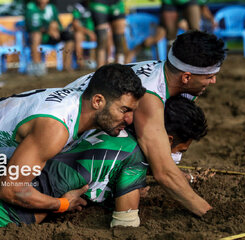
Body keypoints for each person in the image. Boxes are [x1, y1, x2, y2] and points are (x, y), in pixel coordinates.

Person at [0, 95, 207, 230]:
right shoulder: (134, 160)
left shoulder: (102, 122)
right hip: (7, 207)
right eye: (178, 150)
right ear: (166, 139)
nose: (175, 160)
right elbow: (125, 223)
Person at [0, 64, 144, 213]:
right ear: (98, 101)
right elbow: (9, 190)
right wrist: (62, 204)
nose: (130, 119)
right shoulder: (56, 128)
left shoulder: (79, 103)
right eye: (124, 110)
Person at [65, 30, 226, 217]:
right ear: (187, 77)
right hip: (58, 147)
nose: (213, 81)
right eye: (209, 76)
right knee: (132, 150)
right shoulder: (149, 96)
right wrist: (208, 213)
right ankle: (115, 212)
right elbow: (163, 172)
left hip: (65, 134)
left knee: (142, 148)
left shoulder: (164, 74)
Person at [25, 0, 75, 75]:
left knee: (69, 37)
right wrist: (48, 30)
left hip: (53, 35)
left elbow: (58, 24)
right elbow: (31, 27)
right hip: (40, 36)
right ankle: (37, 65)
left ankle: (67, 66)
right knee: (36, 35)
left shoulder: (51, 7)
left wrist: (56, 29)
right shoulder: (31, 8)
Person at [89, 0, 127, 67]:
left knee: (119, 40)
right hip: (99, 3)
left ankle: (120, 70)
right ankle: (100, 71)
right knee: (102, 39)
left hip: (117, 4)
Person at [70, 0, 97, 69]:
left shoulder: (96, 6)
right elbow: (75, 25)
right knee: (78, 35)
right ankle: (80, 62)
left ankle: (106, 60)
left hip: (95, 32)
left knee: (106, 33)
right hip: (83, 33)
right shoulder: (78, 7)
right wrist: (89, 32)